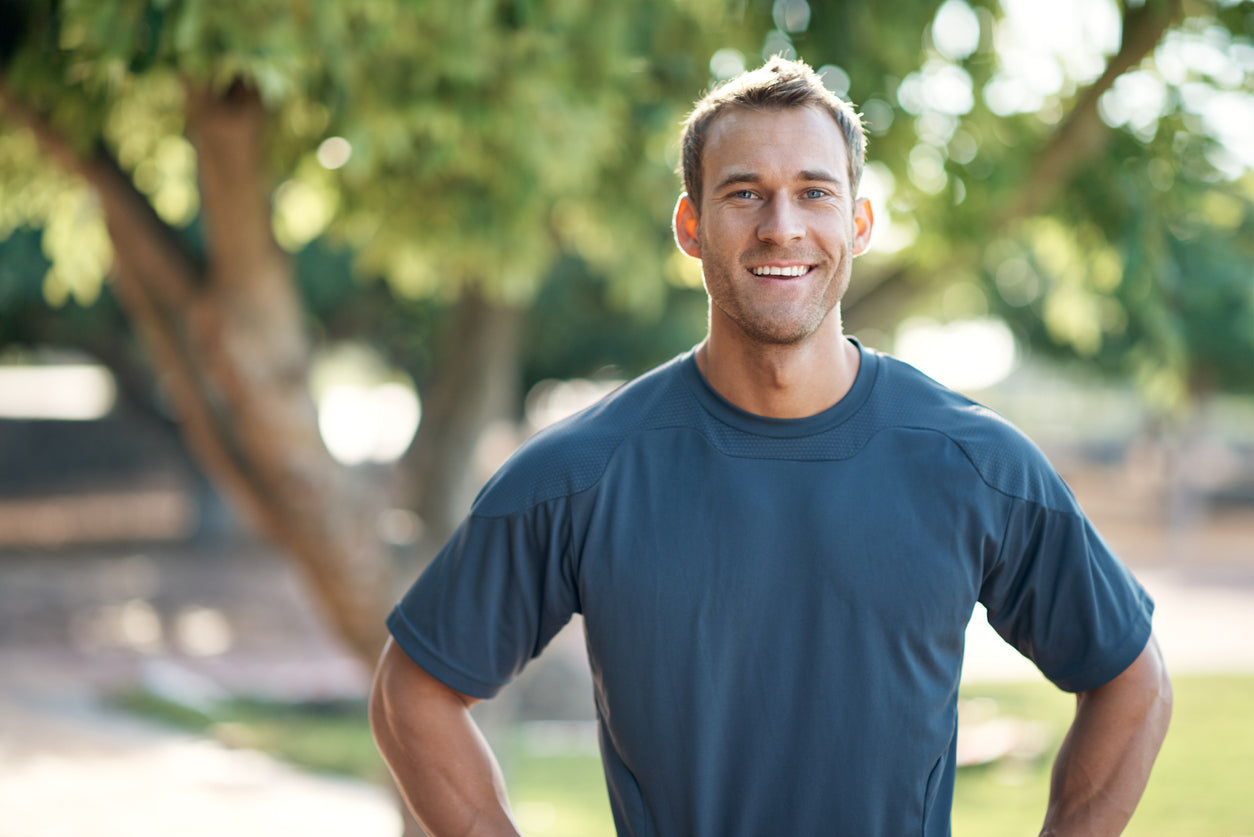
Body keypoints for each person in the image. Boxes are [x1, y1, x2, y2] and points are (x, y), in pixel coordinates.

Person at [370, 57, 1172, 837]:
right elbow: (413, 692)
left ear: (858, 222)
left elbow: (1132, 682)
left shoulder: (975, 464)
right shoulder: (583, 473)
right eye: (744, 192)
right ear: (692, 225)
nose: (781, 226)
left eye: (814, 192)